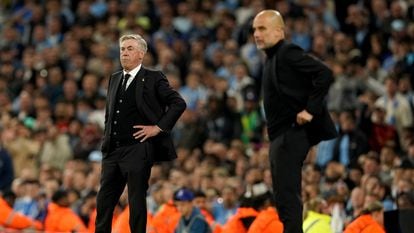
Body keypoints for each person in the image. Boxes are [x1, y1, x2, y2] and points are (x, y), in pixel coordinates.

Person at [252, 10, 337, 233]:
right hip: (280, 136)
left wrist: (310, 109)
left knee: (288, 197)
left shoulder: (287, 51)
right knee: (282, 197)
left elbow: (324, 73)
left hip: (291, 134)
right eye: (254, 29)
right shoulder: (272, 58)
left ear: (279, 31)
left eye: (262, 28)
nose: (256, 34)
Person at [95, 34, 186, 233]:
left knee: (136, 203)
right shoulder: (115, 78)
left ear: (141, 54)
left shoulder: (154, 77)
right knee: (103, 203)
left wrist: (158, 128)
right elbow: (110, 114)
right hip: (112, 151)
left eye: (129, 48)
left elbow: (178, 103)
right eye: (122, 49)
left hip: (137, 149)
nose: (124, 53)